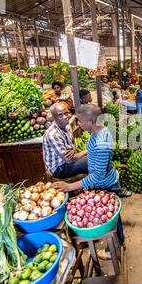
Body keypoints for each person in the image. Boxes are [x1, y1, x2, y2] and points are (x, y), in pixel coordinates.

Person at [52, 104, 131, 259]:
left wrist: (70, 186)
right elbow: (92, 150)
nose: (78, 124)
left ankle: (112, 249)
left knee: (112, 219)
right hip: (106, 179)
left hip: (106, 183)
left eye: (80, 121)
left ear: (91, 121)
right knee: (114, 217)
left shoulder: (102, 144)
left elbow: (98, 176)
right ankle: (120, 241)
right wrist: (79, 155)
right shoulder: (99, 131)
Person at [42, 103, 88, 179]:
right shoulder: (53, 135)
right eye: (60, 115)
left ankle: (92, 185)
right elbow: (69, 160)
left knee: (94, 158)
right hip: (58, 168)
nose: (65, 117)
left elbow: (73, 142)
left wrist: (73, 149)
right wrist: (87, 151)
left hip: (67, 162)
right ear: (53, 118)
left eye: (66, 113)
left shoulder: (66, 125)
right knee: (92, 160)